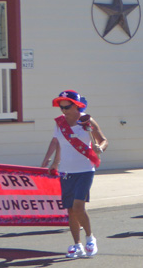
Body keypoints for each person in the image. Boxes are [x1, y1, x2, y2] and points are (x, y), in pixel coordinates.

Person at [42, 90, 108, 258]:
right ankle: (77, 245)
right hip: (66, 170)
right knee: (70, 210)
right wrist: (49, 161)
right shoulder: (60, 123)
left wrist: (100, 148)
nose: (63, 109)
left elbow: (103, 140)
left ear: (76, 104)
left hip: (85, 169)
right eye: (60, 106)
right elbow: (56, 142)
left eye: (67, 105)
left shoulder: (86, 120)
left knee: (79, 207)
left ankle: (90, 238)